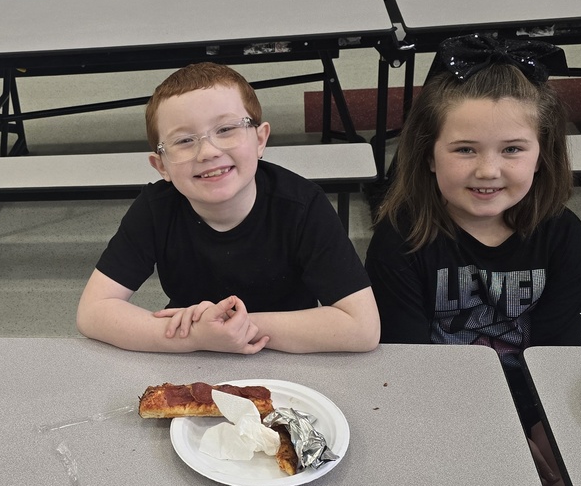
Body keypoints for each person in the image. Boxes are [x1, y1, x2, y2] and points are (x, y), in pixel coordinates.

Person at [365, 33, 581, 486]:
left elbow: (559, 355)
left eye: (512, 149)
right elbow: (409, 362)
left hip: (538, 404)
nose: (488, 170)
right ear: (427, 155)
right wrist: (495, 437)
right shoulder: (399, 237)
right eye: (465, 149)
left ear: (542, 153)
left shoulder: (564, 237)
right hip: (439, 404)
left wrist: (540, 433)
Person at [76, 62, 380, 354]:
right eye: (183, 140)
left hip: (284, 351)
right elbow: (92, 312)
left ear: (260, 139)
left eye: (226, 129)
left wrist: (234, 328)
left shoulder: (303, 207)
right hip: (192, 353)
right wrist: (197, 337)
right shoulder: (156, 210)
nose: (208, 152)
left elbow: (362, 327)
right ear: (161, 166)